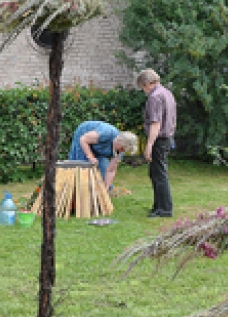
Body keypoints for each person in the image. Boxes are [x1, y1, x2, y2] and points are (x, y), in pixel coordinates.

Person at [137, 68, 177, 218]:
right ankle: (158, 206)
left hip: (159, 139)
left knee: (159, 174)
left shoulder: (154, 97)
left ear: (147, 83)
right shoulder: (167, 93)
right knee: (156, 173)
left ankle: (164, 209)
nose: (144, 91)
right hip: (167, 138)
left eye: (143, 87)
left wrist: (149, 146)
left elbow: (155, 123)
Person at [67, 121, 138, 190]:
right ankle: (78, 192)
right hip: (83, 137)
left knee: (102, 174)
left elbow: (111, 170)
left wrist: (106, 188)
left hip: (97, 147)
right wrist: (90, 156)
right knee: (82, 168)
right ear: (118, 141)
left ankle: (100, 192)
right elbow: (83, 139)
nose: (122, 151)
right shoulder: (106, 133)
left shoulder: (120, 152)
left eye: (124, 150)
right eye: (122, 148)